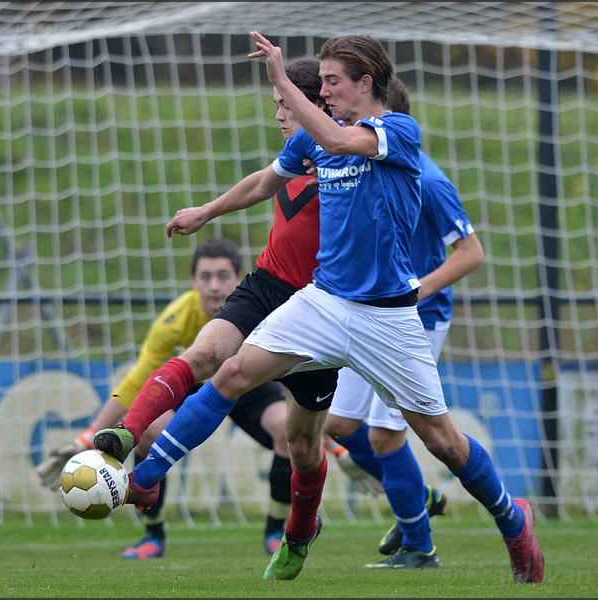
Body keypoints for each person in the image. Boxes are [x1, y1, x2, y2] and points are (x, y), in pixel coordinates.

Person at [121, 32, 544, 584]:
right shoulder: (317, 138)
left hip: (387, 317)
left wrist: (280, 79)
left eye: (331, 82)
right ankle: (148, 474)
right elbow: (266, 180)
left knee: (441, 442)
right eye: (317, 83)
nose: (322, 92)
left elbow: (342, 144)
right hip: (322, 302)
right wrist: (207, 211)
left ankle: (513, 522)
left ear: (366, 83)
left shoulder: (397, 131)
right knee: (231, 372)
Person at [92, 57, 446, 566]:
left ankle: (298, 534)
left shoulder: (359, 161)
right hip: (267, 285)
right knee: (208, 355)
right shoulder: (299, 152)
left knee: (304, 443)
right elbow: (261, 183)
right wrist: (204, 212)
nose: (279, 115)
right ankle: (129, 444)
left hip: (321, 311)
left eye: (285, 105)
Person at [35, 237, 294, 558]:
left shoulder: (263, 309)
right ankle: (153, 536)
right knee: (149, 431)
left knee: (286, 428)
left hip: (249, 385)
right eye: (206, 277)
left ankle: (275, 529)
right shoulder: (175, 320)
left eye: (223, 276)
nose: (214, 286)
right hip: (195, 386)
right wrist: (86, 438)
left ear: (240, 278)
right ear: (193, 281)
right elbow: (137, 381)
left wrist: (329, 441)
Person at [322, 75, 484, 559]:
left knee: (386, 433)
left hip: (419, 316)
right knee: (338, 423)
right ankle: (418, 498)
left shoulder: (429, 179)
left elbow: (470, 252)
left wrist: (419, 290)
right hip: (373, 313)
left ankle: (420, 544)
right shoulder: (360, 166)